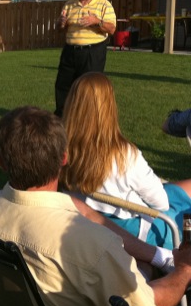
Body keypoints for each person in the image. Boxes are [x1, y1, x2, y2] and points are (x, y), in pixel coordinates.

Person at [0, 105, 191, 306]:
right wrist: (184, 269)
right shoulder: (93, 245)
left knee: (143, 267)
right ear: (64, 159)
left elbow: (76, 208)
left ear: (2, 162)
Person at [61, 72, 191, 250]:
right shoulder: (124, 155)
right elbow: (161, 203)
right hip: (140, 234)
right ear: (109, 107)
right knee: (183, 210)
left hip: (90, 220)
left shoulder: (59, 147)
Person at [54, 0, 116, 117]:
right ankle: (62, 120)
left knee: (90, 88)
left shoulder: (104, 5)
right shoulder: (69, 4)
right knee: (63, 86)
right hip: (70, 52)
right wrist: (61, 23)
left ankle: (89, 120)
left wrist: (97, 21)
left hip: (92, 52)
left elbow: (112, 29)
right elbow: (60, 28)